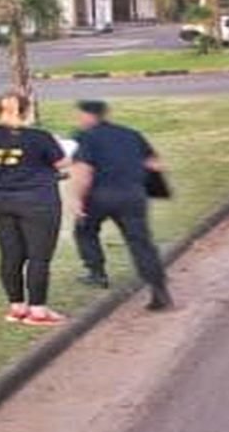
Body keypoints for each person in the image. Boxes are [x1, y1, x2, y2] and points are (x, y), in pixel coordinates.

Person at [0, 93, 69, 326]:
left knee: (10, 254)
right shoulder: (39, 137)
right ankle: (38, 312)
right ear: (26, 111)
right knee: (39, 257)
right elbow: (62, 163)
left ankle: (17, 308)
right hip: (38, 201)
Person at [71, 100, 174, 311]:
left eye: (79, 115)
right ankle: (159, 289)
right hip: (133, 195)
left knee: (85, 229)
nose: (78, 119)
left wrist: (77, 201)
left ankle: (96, 273)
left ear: (88, 116)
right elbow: (155, 163)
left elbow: (84, 171)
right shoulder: (131, 133)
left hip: (101, 195)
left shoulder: (86, 136)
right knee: (141, 243)